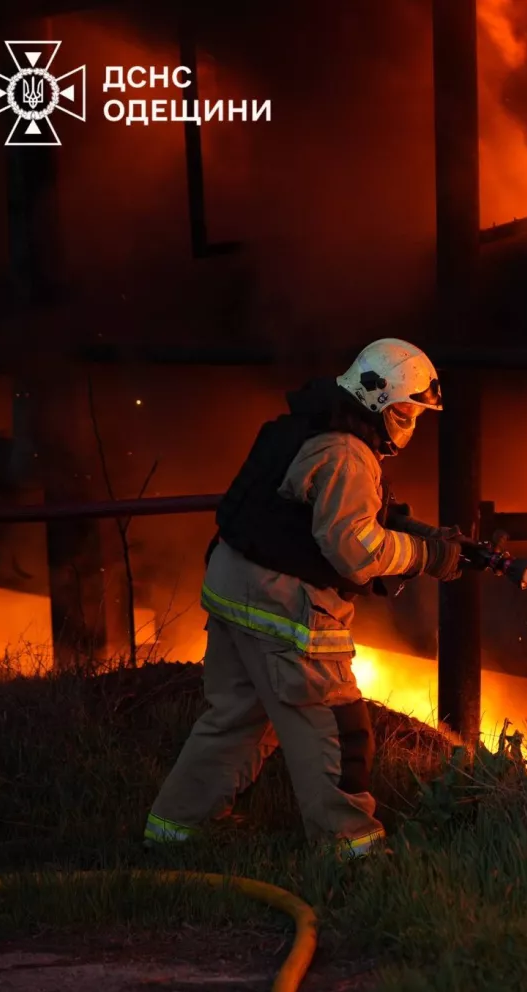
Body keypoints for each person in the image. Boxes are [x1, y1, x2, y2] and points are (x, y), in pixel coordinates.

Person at [143, 338, 462, 860]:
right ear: (380, 401)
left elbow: (298, 513)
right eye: (406, 411)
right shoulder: (347, 453)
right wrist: (427, 557)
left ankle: (175, 831)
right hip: (281, 608)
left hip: (231, 590)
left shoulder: (304, 425)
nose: (409, 423)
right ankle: (351, 852)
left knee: (237, 718)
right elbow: (355, 551)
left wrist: (400, 524)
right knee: (336, 728)